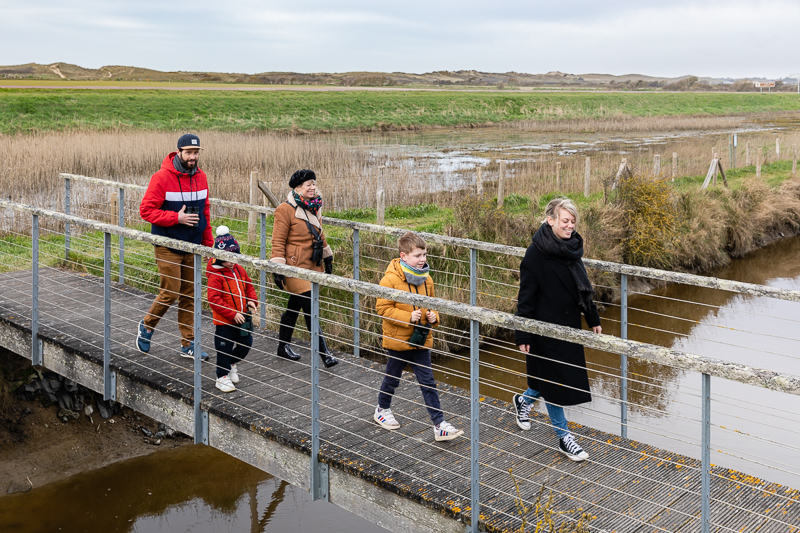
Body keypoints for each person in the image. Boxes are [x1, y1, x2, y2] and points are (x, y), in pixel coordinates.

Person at [512, 198, 602, 462]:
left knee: (554, 376)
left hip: (569, 327)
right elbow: (525, 297)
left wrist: (592, 318)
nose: (570, 226)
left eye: (573, 221)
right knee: (555, 382)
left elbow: (582, 289)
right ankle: (564, 438)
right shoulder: (536, 253)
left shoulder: (571, 248)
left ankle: (524, 401)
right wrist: (523, 332)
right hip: (545, 329)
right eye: (565, 221)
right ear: (550, 220)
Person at [373, 231, 463, 442]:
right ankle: (382, 409)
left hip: (421, 339)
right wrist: (407, 317)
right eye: (418, 256)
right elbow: (382, 309)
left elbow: (432, 303)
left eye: (424, 255)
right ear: (403, 256)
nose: (423, 260)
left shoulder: (427, 279)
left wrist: (434, 316)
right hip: (398, 340)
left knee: (428, 382)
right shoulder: (390, 280)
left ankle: (439, 425)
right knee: (392, 378)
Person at [136, 133, 212, 360]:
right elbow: (145, 211)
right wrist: (175, 218)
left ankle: (188, 344)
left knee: (190, 295)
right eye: (188, 152)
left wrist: (208, 245)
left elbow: (205, 211)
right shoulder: (161, 177)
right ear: (178, 152)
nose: (193, 157)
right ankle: (147, 326)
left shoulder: (201, 177)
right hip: (167, 244)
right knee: (170, 292)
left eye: (196, 152)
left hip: (193, 246)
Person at [270, 169, 338, 368]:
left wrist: (328, 255)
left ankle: (282, 347)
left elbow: (319, 234)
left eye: (314, 183)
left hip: (312, 265)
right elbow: (278, 241)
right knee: (310, 307)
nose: (313, 187)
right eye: (308, 184)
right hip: (293, 267)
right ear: (297, 188)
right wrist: (278, 269)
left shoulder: (314, 207)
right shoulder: (285, 209)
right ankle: (324, 354)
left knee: (294, 304)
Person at [206, 226, 258, 393]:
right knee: (224, 348)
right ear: (220, 258)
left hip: (242, 317)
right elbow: (214, 300)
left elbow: (248, 285)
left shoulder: (238, 269)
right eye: (229, 259)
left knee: (246, 343)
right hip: (225, 321)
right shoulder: (215, 276)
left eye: (235, 257)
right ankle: (221, 377)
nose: (233, 261)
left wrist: (251, 300)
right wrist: (232, 313)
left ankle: (231, 364)